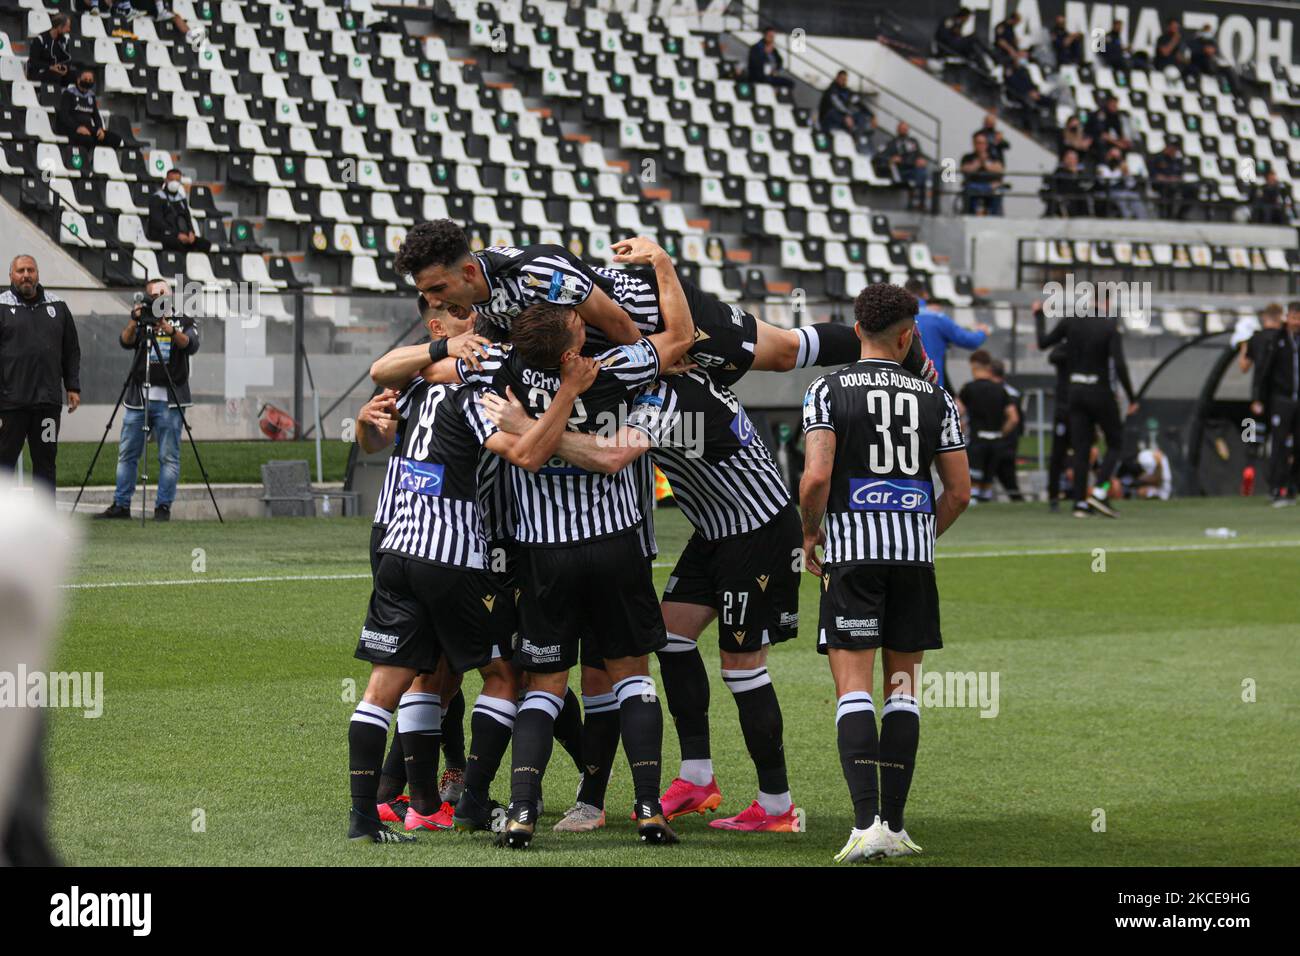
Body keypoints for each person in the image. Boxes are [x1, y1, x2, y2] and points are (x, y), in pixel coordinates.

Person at [376, 236, 697, 848]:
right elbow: (678, 341)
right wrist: (661, 264)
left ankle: (521, 810)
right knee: (631, 675)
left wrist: (466, 365)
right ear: (577, 339)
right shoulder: (616, 367)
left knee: (544, 683)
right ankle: (648, 806)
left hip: (540, 550)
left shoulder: (502, 377)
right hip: (616, 543)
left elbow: (430, 372)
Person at [347, 331, 591, 845]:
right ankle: (473, 802)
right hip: (453, 557)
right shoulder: (476, 394)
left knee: (389, 688)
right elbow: (524, 454)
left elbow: (376, 432)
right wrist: (565, 397)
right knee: (505, 674)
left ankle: (374, 817)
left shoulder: (413, 387)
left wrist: (366, 426)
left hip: (395, 548)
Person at [799, 282, 971, 863]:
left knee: (853, 691)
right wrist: (921, 533)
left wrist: (809, 532)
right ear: (906, 336)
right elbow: (960, 491)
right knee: (903, 691)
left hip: (850, 556)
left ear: (855, 332)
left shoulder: (826, 388)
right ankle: (894, 826)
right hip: (911, 560)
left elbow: (816, 478)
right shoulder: (935, 397)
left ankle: (862, 823)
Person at [396, 219, 874, 386]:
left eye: (437, 290)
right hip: (635, 338)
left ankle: (883, 346)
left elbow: (614, 319)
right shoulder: (482, 293)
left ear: (468, 272)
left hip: (659, 312)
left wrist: (655, 359)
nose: (435, 302)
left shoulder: (534, 272)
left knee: (783, 353)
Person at [94, 278, 199, 521]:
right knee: (128, 453)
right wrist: (135, 319)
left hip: (170, 401)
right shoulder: (141, 319)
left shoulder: (184, 319)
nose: (161, 296)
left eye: (165, 292)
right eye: (156, 294)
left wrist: (169, 329)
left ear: (171, 295)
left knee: (169, 456)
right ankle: (121, 505)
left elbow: (191, 345)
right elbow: (125, 341)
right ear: (149, 297)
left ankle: (163, 507)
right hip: (139, 398)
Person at [1034, 295, 1139, 518]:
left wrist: (1038, 316)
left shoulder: (1071, 320)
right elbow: (1119, 364)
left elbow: (1043, 343)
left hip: (1075, 392)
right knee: (1115, 443)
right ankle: (1100, 492)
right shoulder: (1110, 325)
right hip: (1099, 390)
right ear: (1108, 303)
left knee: (1081, 448)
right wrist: (1132, 397)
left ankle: (1080, 503)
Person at [0, 255, 80, 491]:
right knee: (4, 465)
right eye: (21, 270)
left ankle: (44, 524)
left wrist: (73, 386)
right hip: (10, 406)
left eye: (31, 270)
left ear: (38, 274)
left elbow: (71, 350)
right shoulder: (2, 306)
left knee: (45, 463)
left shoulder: (58, 306)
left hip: (47, 406)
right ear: (11, 276)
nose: (26, 275)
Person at [1250, 302, 1300, 506]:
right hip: (1281, 399)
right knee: (1277, 444)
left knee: (1298, 445)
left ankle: (1292, 487)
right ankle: (1275, 488)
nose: (1296, 322)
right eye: (1294, 317)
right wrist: (1258, 397)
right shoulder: (1274, 340)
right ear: (1286, 317)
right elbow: (1262, 370)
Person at [957, 350, 1018, 501]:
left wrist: (961, 430)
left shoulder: (969, 388)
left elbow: (956, 411)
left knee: (973, 489)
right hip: (996, 442)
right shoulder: (1001, 389)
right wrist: (1002, 433)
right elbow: (1013, 418)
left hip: (977, 441)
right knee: (987, 487)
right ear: (989, 366)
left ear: (973, 366)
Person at [903, 279, 987, 389]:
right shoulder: (937, 318)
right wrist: (982, 332)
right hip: (931, 386)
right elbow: (970, 341)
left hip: (902, 384)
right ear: (925, 295)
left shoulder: (897, 317)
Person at [54, 69, 124, 149]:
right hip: (71, 128)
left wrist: (100, 128)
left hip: (87, 128)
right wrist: (77, 127)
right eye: (85, 79)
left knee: (114, 139)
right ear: (78, 80)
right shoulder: (68, 93)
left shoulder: (91, 96)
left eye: (90, 80)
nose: (87, 81)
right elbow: (64, 115)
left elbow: (96, 115)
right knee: (87, 139)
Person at [147, 169, 211, 252]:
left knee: (205, 244)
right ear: (166, 180)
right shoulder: (157, 197)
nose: (174, 183)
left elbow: (187, 217)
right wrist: (177, 234)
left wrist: (191, 232)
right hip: (162, 233)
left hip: (180, 233)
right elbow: (157, 222)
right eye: (171, 180)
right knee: (180, 244)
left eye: (177, 180)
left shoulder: (181, 198)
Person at [989, 359, 1026, 501]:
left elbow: (1014, 419)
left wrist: (1000, 434)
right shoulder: (1014, 392)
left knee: (983, 482)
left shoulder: (993, 391)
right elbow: (1020, 420)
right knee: (1010, 483)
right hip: (1010, 443)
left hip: (994, 441)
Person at [876, 122, 930, 210]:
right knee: (920, 175)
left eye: (905, 128)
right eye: (902, 128)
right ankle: (917, 200)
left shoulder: (913, 142)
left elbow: (919, 155)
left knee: (921, 171)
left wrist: (921, 160)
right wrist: (891, 159)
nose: (904, 130)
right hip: (900, 171)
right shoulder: (892, 143)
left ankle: (917, 200)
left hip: (913, 169)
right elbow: (879, 156)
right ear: (898, 129)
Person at [960, 132, 1005, 216]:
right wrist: (979, 161)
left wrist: (985, 163)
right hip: (973, 185)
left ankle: (994, 217)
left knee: (997, 192)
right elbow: (965, 169)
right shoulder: (967, 157)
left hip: (990, 186)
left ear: (986, 144)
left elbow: (999, 169)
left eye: (982, 143)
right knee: (969, 192)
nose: (980, 145)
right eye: (978, 143)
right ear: (974, 144)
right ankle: (970, 215)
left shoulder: (994, 157)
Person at [1149, 141, 1197, 220]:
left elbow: (1180, 176)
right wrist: (1169, 179)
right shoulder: (1156, 158)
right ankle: (1168, 216)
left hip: (1175, 184)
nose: (1174, 151)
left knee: (1192, 190)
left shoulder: (1176, 160)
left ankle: (1181, 215)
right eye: (1172, 148)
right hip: (1161, 185)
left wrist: (1175, 179)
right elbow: (1156, 176)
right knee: (1170, 190)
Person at [1095, 147, 1147, 219]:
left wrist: (1126, 173)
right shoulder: (1101, 166)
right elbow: (1108, 182)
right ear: (1108, 155)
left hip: (1122, 191)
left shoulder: (1121, 166)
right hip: (1106, 191)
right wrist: (1119, 170)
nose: (1115, 159)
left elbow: (1130, 184)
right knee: (1121, 197)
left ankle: (1143, 220)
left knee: (1136, 196)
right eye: (1113, 156)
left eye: (1117, 157)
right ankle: (1127, 218)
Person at [819, 70, 874, 138]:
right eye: (842, 79)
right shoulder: (831, 91)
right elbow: (838, 105)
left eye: (845, 79)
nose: (843, 81)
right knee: (834, 112)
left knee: (861, 116)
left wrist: (871, 115)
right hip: (828, 118)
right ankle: (853, 132)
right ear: (837, 78)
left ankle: (861, 135)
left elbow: (858, 102)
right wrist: (846, 115)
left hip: (843, 116)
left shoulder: (847, 91)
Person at [26, 13, 74, 85]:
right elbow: (33, 62)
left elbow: (67, 58)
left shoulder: (63, 40)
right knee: (54, 75)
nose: (69, 29)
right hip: (39, 71)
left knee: (74, 75)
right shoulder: (40, 40)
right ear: (60, 27)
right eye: (67, 27)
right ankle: (52, 95)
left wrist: (65, 67)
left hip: (56, 71)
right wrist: (50, 67)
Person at [1238, 303, 1284, 374]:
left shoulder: (1255, 338)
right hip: (1283, 384)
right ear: (1280, 317)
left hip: (1261, 383)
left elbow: (1244, 367)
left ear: (1264, 317)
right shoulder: (1286, 337)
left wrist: (1244, 344)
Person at [1046, 148, 1092, 217]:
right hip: (1065, 205)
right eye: (1069, 158)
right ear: (1064, 159)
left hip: (1080, 206)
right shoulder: (1058, 174)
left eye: (1073, 158)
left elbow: (1087, 186)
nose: (1071, 161)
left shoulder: (1082, 175)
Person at [1084, 96, 1132, 161]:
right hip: (1093, 137)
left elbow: (1118, 130)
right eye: (1113, 105)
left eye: (1116, 105)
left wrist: (1123, 140)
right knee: (1101, 143)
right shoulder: (1101, 114)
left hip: (1105, 138)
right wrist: (1118, 143)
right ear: (1108, 104)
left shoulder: (1114, 115)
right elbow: (1102, 134)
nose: (1115, 107)